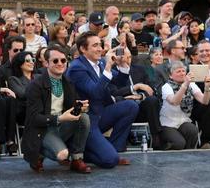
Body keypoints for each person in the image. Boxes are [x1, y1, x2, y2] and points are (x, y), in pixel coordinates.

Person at [66, 31, 139, 168]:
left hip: (101, 114)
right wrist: (108, 66)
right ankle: (79, 153)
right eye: (95, 45)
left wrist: (122, 64)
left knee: (131, 106)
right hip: (86, 121)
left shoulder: (99, 63)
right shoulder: (77, 68)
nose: (100, 48)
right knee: (109, 161)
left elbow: (120, 81)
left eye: (100, 45)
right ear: (83, 49)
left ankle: (113, 150)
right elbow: (95, 93)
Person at [22, 45, 91, 173]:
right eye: (55, 61)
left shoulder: (67, 82)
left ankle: (77, 159)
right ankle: (38, 154)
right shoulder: (35, 85)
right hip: (42, 129)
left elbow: (72, 105)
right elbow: (34, 118)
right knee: (62, 155)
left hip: (61, 125)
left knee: (84, 118)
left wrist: (81, 106)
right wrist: (59, 118)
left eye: (63, 60)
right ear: (46, 63)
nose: (60, 63)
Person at [109, 47, 163, 150]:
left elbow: (151, 89)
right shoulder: (111, 72)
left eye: (129, 57)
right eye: (124, 58)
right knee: (120, 100)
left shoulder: (140, 69)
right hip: (123, 107)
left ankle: (156, 137)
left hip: (141, 106)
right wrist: (134, 87)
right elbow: (114, 93)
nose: (127, 60)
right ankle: (122, 139)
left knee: (152, 100)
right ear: (117, 58)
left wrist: (140, 96)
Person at [160, 61, 210, 149]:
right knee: (179, 143)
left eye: (183, 71)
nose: (182, 73)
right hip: (168, 123)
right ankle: (165, 148)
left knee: (193, 130)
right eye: (178, 71)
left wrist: (207, 87)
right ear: (170, 75)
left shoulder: (191, 84)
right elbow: (174, 102)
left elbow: (205, 101)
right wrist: (185, 85)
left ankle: (190, 155)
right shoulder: (166, 87)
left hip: (183, 121)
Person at [8, 51, 37, 125]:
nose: (31, 62)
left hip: (41, 109)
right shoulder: (13, 79)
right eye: (28, 60)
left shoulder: (39, 77)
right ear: (20, 64)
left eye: (32, 60)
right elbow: (23, 94)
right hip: (25, 112)